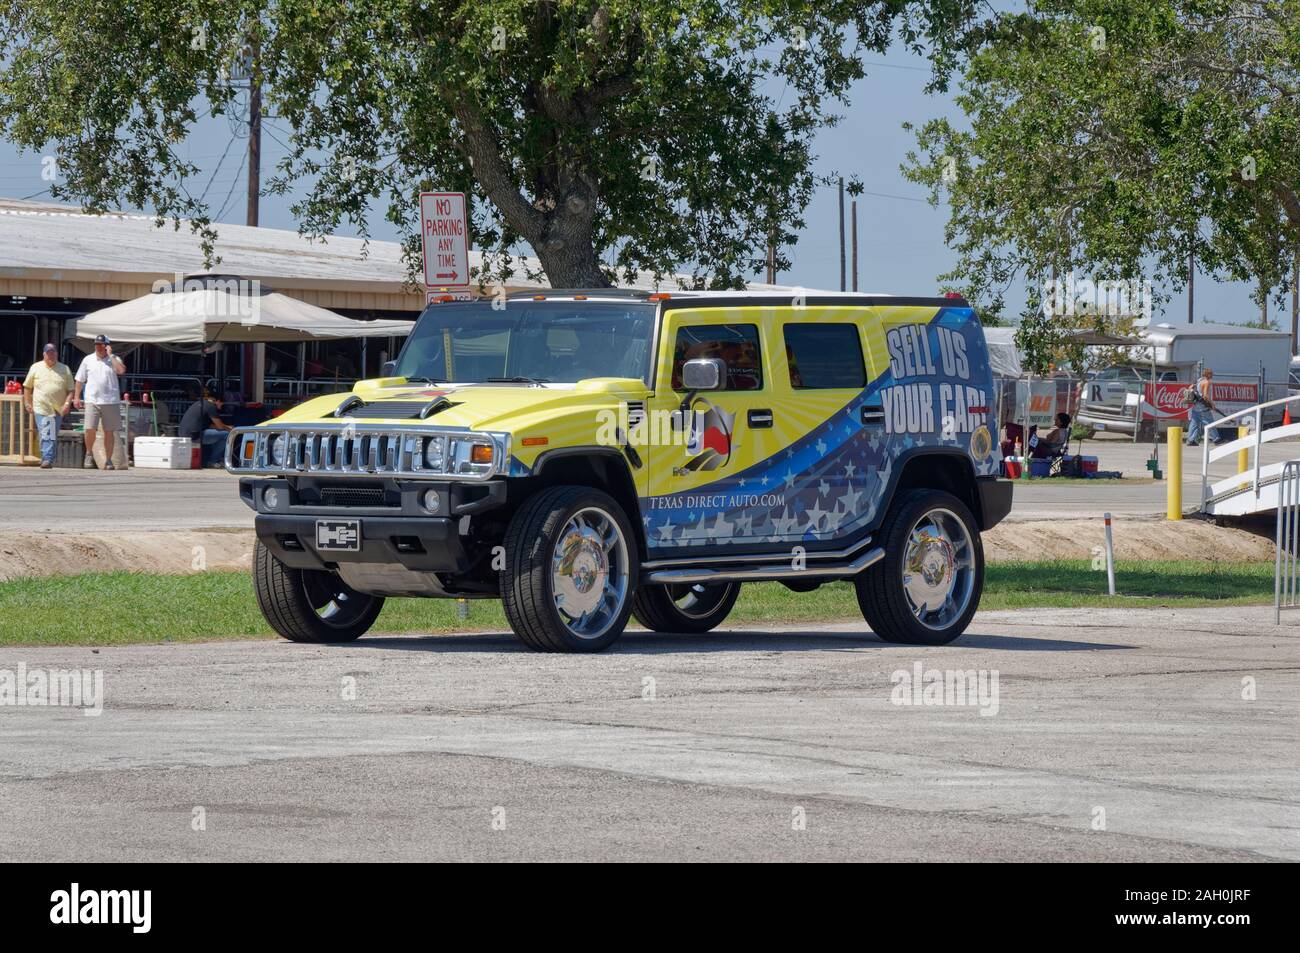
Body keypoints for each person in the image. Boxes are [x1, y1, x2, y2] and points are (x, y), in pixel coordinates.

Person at [73, 334, 127, 470]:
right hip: (92, 399)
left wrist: (111, 356)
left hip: (111, 401)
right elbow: (79, 379)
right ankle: (89, 453)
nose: (99, 347)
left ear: (107, 346)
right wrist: (76, 397)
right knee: (89, 428)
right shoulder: (88, 359)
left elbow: (121, 371)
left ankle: (108, 460)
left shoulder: (114, 359)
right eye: (97, 344)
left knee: (110, 431)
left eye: (102, 345)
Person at [22, 343, 74, 469]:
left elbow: (70, 390)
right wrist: (27, 403)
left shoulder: (64, 369)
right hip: (41, 406)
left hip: (58, 408)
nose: (51, 355)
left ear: (57, 353)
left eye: (53, 352)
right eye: (48, 353)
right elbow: (27, 387)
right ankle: (47, 458)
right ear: (44, 355)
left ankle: (48, 457)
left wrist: (67, 403)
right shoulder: (36, 367)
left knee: (50, 433)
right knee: (47, 431)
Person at [179, 381, 233, 467]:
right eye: (221, 404)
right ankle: (213, 460)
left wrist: (225, 427)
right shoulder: (211, 406)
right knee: (227, 435)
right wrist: (229, 428)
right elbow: (219, 426)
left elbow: (209, 425)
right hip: (195, 436)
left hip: (184, 434)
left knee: (218, 435)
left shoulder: (200, 403)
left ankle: (210, 458)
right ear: (217, 401)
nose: (221, 406)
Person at [1184, 368, 1219, 447]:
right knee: (1209, 422)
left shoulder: (1199, 380)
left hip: (1195, 406)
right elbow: (1206, 395)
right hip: (1202, 407)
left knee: (1194, 424)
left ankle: (1190, 440)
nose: (1212, 375)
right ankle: (1216, 439)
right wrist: (1212, 404)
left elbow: (1190, 388)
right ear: (1208, 374)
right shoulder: (1206, 382)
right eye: (1211, 374)